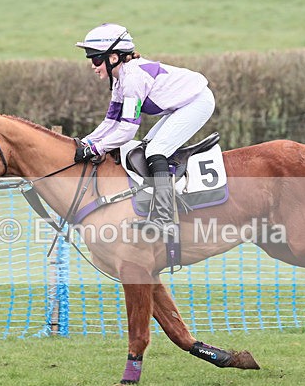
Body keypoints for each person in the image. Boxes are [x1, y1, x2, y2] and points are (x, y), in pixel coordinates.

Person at [73, 23, 215, 234]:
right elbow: (110, 123)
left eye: (96, 59)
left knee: (155, 151)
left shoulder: (132, 79)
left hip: (197, 102)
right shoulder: (119, 80)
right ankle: (157, 206)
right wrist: (86, 142)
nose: (93, 66)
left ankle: (165, 219)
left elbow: (127, 130)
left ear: (113, 58)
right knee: (143, 150)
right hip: (182, 105)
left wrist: (96, 149)